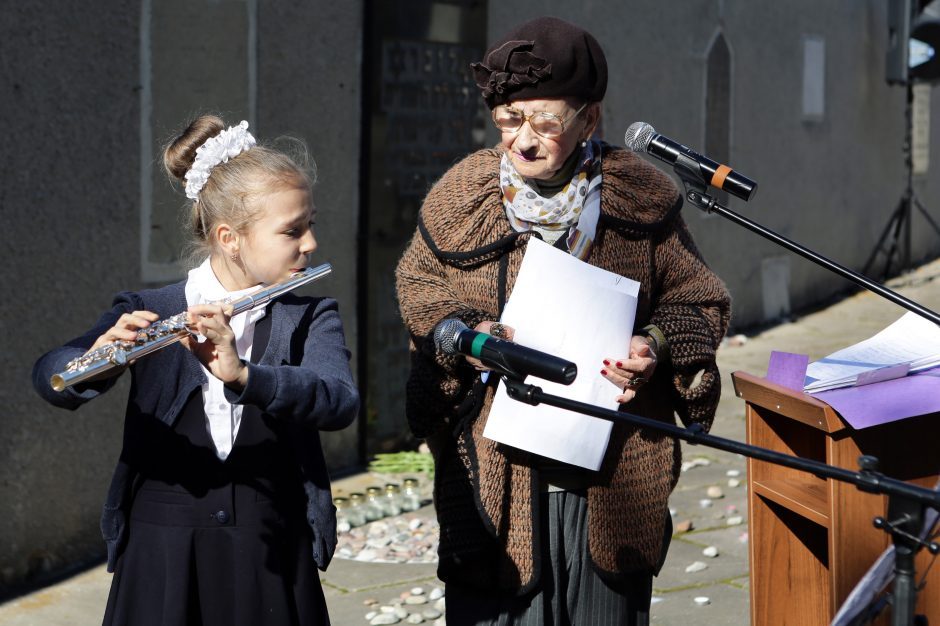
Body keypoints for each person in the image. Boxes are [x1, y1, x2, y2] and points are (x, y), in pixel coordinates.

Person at [395, 16, 731, 626]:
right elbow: (418, 288)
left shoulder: (640, 198)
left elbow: (698, 299)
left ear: (589, 119)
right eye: (508, 122)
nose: (523, 140)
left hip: (609, 466)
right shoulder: (460, 198)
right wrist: (465, 335)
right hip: (497, 469)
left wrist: (654, 345)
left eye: (544, 122)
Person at [32, 115, 359, 626]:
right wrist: (94, 363)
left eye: (310, 224)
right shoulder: (149, 307)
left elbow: (338, 400)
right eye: (292, 231)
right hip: (162, 550)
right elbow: (50, 376)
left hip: (269, 544)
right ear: (231, 238)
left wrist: (245, 376)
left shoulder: (311, 315)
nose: (311, 243)